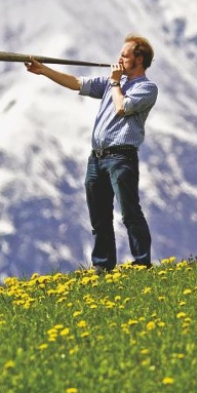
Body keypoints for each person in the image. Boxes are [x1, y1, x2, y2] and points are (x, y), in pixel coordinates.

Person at [25, 34, 159, 272]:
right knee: (99, 218)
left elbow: (122, 108)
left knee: (130, 214)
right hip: (97, 158)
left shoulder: (146, 88)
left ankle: (142, 264)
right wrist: (44, 70)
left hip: (121, 157)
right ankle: (102, 267)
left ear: (139, 59)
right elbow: (77, 83)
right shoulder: (111, 83)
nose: (118, 59)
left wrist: (116, 83)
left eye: (124, 55)